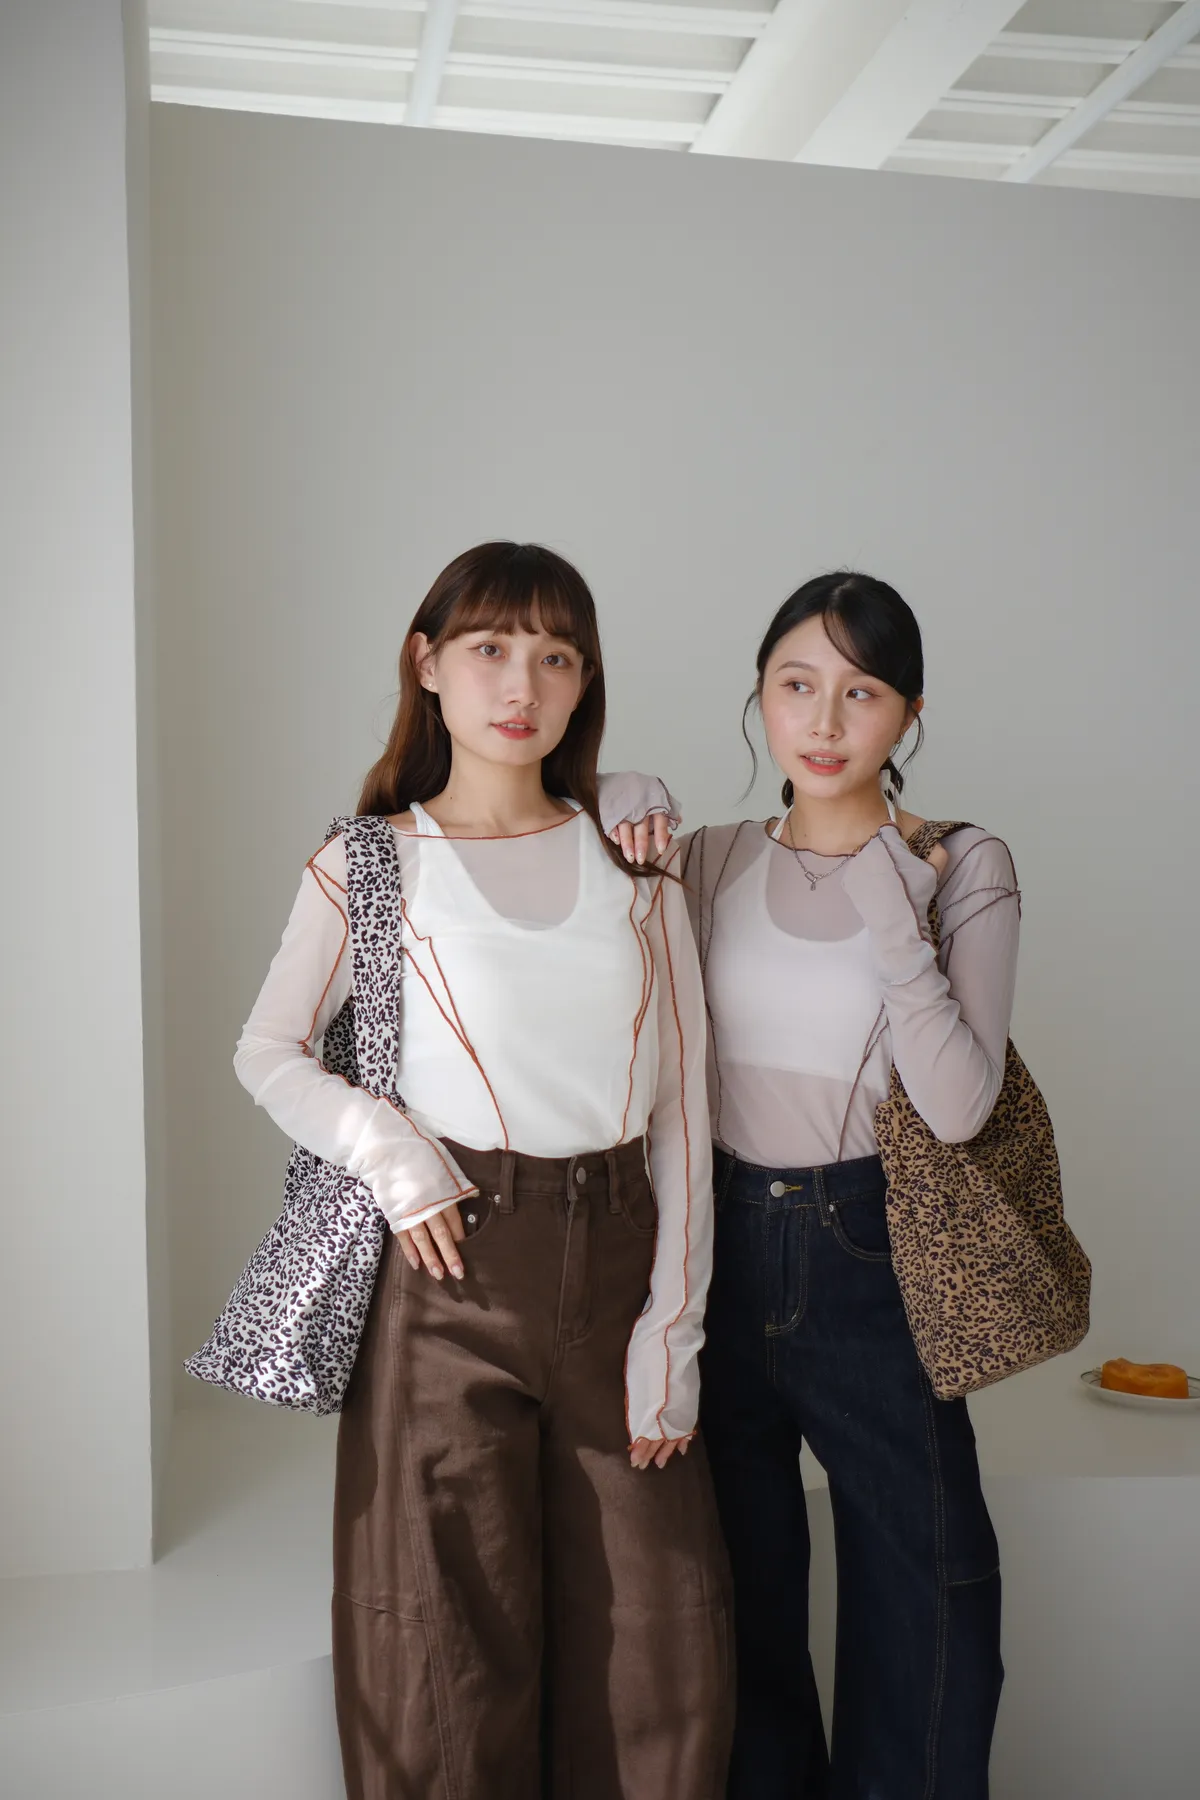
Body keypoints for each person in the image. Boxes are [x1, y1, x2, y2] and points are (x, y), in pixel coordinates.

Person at [233, 542, 732, 1799]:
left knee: (660, 1656)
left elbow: (685, 1106)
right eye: (491, 648)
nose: (523, 684)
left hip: (620, 1265)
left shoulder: (638, 863)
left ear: (585, 684)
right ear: (428, 663)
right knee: (442, 1661)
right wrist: (395, 1159)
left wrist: (673, 1332)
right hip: (446, 1279)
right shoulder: (370, 860)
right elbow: (266, 1051)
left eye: (557, 657)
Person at [608, 570, 1017, 1799]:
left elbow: (960, 1106)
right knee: (738, 1599)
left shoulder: (962, 863)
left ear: (910, 714)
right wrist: (606, 801)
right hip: (719, 1246)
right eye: (797, 685)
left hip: (871, 1250)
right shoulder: (711, 859)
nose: (825, 721)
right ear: (760, 696)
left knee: (929, 1593)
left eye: (862, 692)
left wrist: (895, 911)